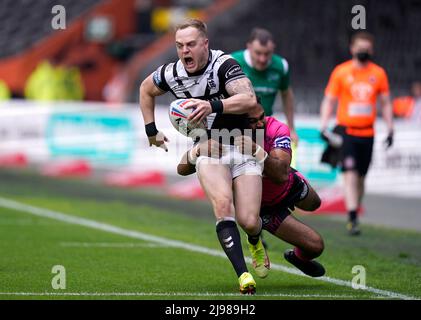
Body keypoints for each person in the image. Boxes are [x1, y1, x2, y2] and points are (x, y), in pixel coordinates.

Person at [139, 19, 265, 294]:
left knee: (250, 220)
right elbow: (145, 90)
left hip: (242, 144)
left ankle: (255, 239)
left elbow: (249, 99)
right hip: (209, 147)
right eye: (180, 46)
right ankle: (243, 276)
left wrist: (212, 105)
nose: (185, 51)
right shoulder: (171, 73)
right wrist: (151, 131)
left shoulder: (224, 65)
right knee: (222, 204)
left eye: (191, 44)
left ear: (205, 44)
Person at [177, 103, 325, 278]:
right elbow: (182, 169)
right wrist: (196, 152)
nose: (260, 123)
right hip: (264, 207)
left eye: (262, 116)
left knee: (315, 203)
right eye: (252, 121)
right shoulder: (224, 136)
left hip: (288, 186)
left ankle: (294, 254)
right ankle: (296, 257)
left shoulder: (276, 128)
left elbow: (281, 174)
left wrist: (256, 150)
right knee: (316, 246)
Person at [319, 31, 394, 235]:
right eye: (360, 48)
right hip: (347, 133)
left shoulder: (378, 73)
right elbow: (330, 100)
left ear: (372, 50)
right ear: (352, 49)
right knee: (350, 174)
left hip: (368, 134)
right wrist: (324, 125)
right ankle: (352, 217)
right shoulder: (341, 72)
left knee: (361, 177)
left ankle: (355, 211)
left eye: (366, 49)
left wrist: (390, 128)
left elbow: (386, 103)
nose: (363, 52)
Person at [231, 28, 298, 145]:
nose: (262, 59)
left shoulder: (281, 66)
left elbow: (286, 95)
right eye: (258, 53)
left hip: (263, 128)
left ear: (273, 49)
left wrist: (291, 128)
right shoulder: (232, 62)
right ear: (249, 47)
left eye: (267, 54)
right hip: (235, 129)